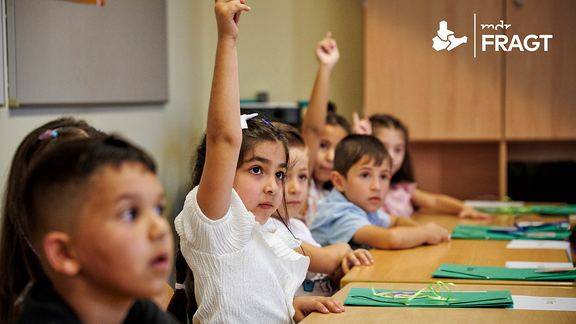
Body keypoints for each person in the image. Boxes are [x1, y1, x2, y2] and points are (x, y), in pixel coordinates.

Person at [169, 1, 344, 323]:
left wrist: (292, 308)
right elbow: (224, 138)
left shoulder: (268, 232)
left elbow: (258, 300)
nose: (272, 186)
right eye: (256, 170)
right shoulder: (216, 226)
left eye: (279, 173)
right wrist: (227, 39)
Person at [0, 134, 177, 324]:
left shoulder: (132, 305)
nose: (160, 229)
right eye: (130, 214)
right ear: (64, 253)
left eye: (159, 209)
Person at [268, 123, 373, 296]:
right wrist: (343, 250)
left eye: (302, 177)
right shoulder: (269, 230)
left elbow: (327, 280)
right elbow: (327, 259)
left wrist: (347, 264)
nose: (297, 188)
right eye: (283, 176)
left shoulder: (299, 227)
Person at [310, 134, 451, 250]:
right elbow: (390, 239)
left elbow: (396, 221)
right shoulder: (338, 213)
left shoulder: (362, 206)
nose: (377, 186)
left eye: (383, 176)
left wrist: (423, 231)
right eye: (365, 175)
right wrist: (425, 233)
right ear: (339, 182)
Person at [358, 113, 491, 219]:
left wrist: (464, 208)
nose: (391, 156)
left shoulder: (403, 190)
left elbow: (435, 201)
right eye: (383, 147)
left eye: (398, 150)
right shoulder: (359, 192)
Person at [299, 32, 351, 226]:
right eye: (323, 145)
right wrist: (326, 67)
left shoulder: (339, 194)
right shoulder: (304, 186)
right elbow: (313, 130)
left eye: (338, 150)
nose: (331, 157)